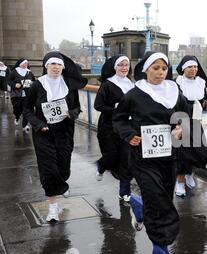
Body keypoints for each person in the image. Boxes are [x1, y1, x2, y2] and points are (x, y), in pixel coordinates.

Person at [113, 52, 189, 254]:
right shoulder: (134, 94)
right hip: (143, 159)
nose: (160, 72)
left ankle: (138, 206)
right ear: (146, 69)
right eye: (155, 68)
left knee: (163, 199)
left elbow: (184, 116)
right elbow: (118, 119)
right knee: (159, 205)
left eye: (164, 68)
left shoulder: (175, 91)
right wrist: (129, 135)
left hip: (170, 157)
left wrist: (180, 128)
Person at [23, 51, 87, 223]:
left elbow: (77, 108)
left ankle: (61, 183)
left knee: (63, 168)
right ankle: (52, 208)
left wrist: (71, 114)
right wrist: (38, 125)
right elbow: (27, 110)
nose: (56, 67)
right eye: (53, 64)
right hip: (44, 133)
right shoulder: (37, 86)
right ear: (46, 66)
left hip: (64, 132)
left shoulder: (68, 87)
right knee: (48, 168)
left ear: (63, 67)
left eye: (59, 64)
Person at [94, 55, 134, 202]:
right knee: (111, 156)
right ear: (114, 67)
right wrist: (115, 108)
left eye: (126, 65)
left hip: (127, 127)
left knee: (126, 159)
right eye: (121, 65)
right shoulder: (107, 85)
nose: (124, 68)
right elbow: (98, 105)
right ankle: (101, 164)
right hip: (108, 126)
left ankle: (124, 191)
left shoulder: (131, 84)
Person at [174, 55, 207, 198]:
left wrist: (204, 103)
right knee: (182, 155)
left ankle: (189, 173)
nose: (193, 69)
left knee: (200, 152)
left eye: (195, 67)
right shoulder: (177, 82)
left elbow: (204, 99)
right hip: (181, 121)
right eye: (190, 67)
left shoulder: (201, 82)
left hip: (195, 121)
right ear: (183, 69)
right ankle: (180, 183)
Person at [7, 59, 35, 132]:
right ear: (20, 64)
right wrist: (15, 84)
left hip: (27, 94)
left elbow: (34, 81)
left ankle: (25, 125)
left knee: (26, 109)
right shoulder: (14, 72)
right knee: (17, 108)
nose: (26, 64)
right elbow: (9, 81)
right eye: (24, 63)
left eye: (27, 63)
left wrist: (31, 83)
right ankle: (17, 117)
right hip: (16, 94)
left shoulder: (29, 72)